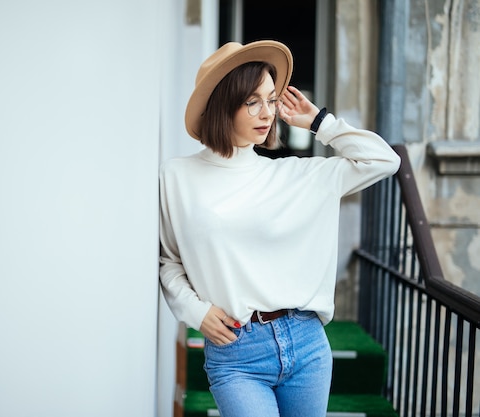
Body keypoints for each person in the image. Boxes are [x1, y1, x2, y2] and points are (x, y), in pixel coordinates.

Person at [159, 40, 401, 417]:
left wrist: (321, 123)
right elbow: (169, 261)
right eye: (252, 101)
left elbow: (385, 160)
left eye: (271, 100)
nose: (267, 113)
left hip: (306, 344)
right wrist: (195, 311)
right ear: (223, 104)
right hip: (236, 351)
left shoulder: (296, 175)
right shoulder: (177, 176)